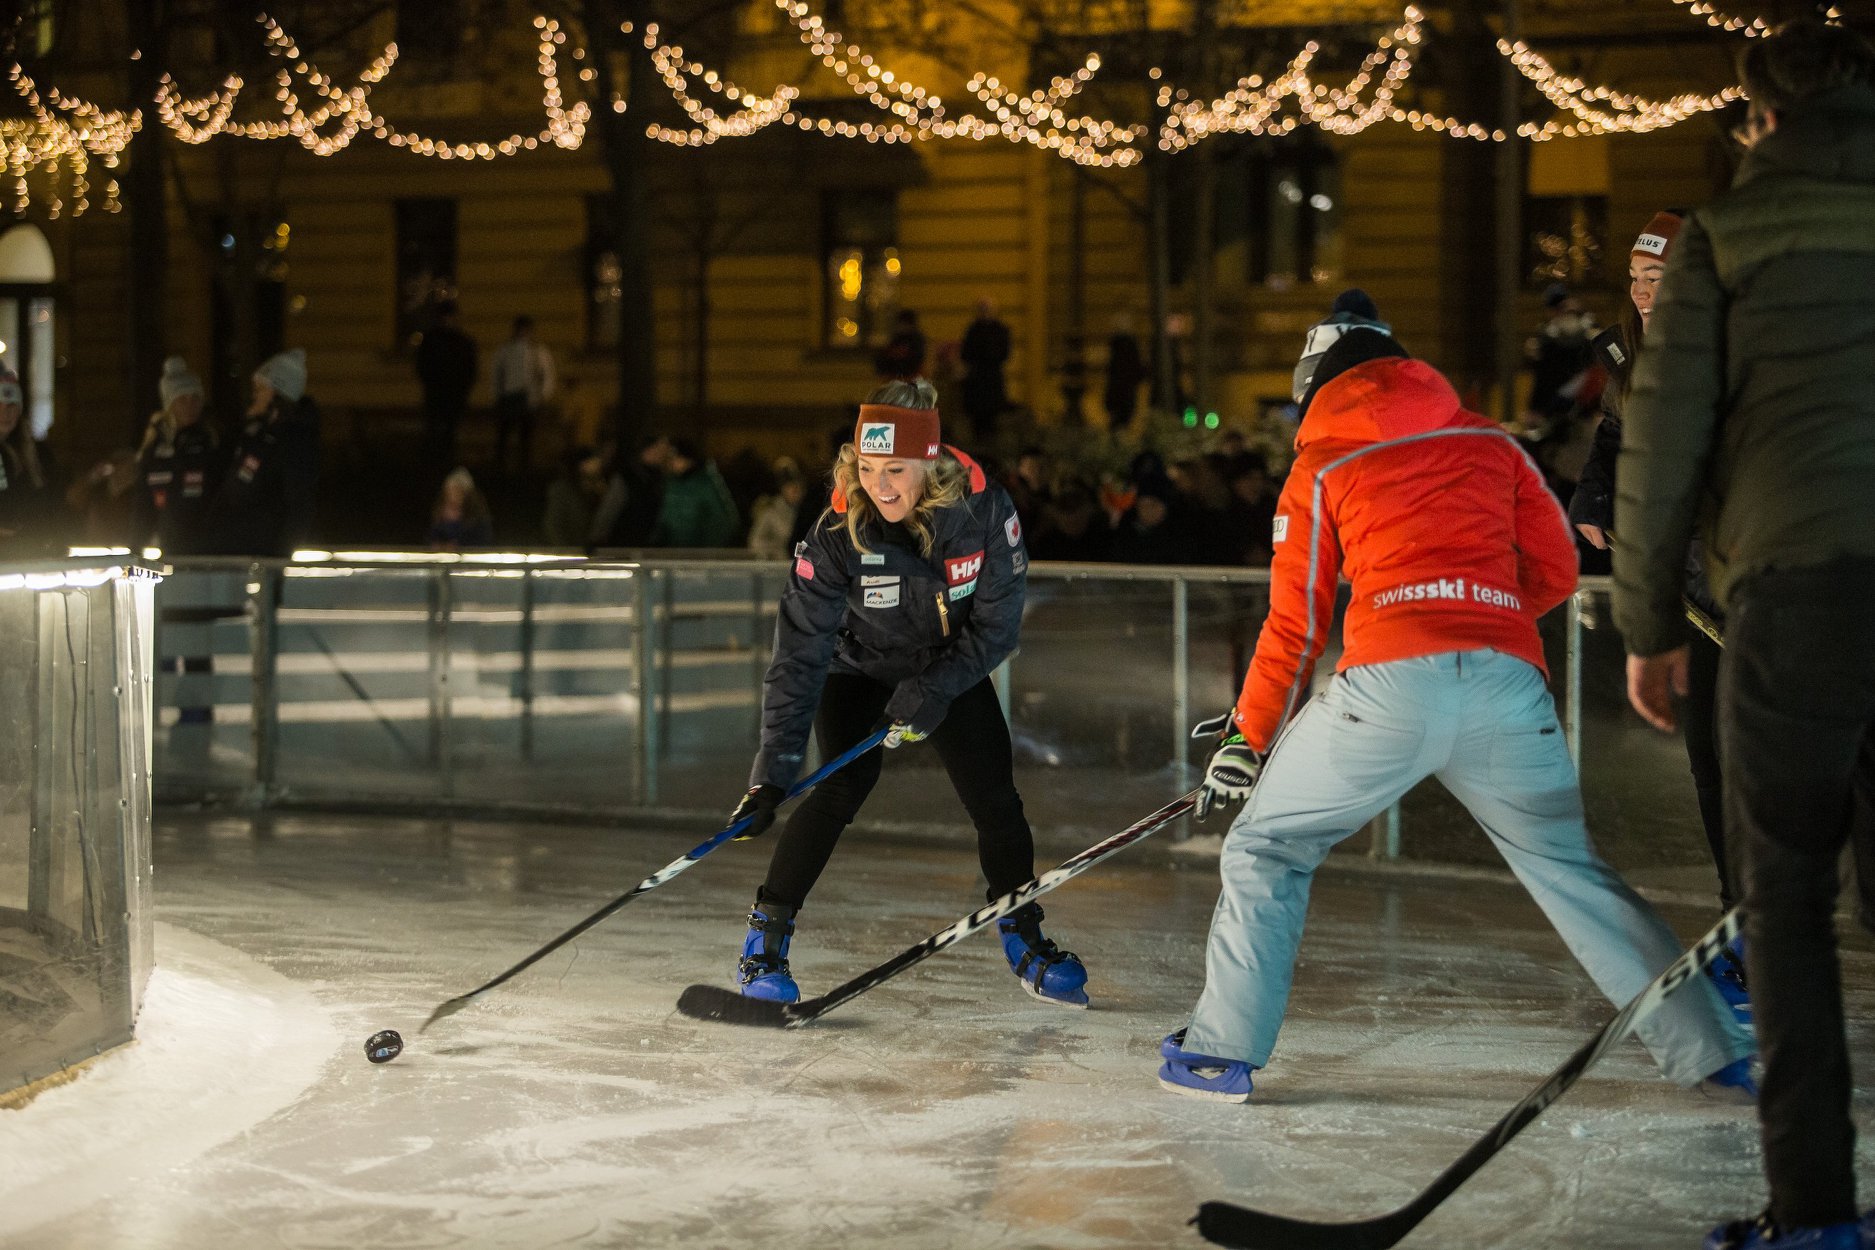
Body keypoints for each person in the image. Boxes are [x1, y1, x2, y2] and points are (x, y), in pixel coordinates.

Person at [1159, 299, 1756, 1112]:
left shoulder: (1323, 464)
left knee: (1266, 850)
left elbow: (1294, 623)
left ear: (1314, 387)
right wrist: (1482, 607)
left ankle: (1216, 1054)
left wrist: (1247, 737)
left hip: (1387, 690)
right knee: (1570, 871)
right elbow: (1552, 566)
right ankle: (1715, 1049)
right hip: (1508, 686)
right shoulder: (1488, 442)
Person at [1610, 21, 1875, 1250]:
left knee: (1786, 903)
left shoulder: (1728, 235)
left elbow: (1665, 444)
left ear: (1760, 117)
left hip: (1797, 593)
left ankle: (1815, 1211)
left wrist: (1650, 621)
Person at [725, 380, 1088, 1008]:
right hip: (856, 665)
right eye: (867, 469)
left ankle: (1023, 934)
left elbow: (998, 627)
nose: (880, 486)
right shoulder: (839, 528)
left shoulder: (983, 511)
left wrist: (934, 690)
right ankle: (766, 941)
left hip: (950, 664)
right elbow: (797, 654)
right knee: (840, 784)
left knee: (995, 799)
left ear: (931, 460)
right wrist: (770, 776)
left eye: (895, 469)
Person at [1566, 212, 1749, 1021]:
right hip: (1695, 600)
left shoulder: (1728, 354)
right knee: (1713, 770)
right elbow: (1616, 442)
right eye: (1636, 283)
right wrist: (1594, 495)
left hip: (1754, 588)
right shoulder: (1627, 359)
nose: (1643, 297)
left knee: (1780, 772)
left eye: (1659, 283)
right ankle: (1741, 930)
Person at [210, 349, 319, 557]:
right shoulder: (256, 433)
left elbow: (298, 504)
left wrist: (279, 557)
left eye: (259, 389)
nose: (254, 396)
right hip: (236, 552)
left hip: (262, 558)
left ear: (277, 393)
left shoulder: (294, 440)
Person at [132, 356, 225, 555]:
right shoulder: (154, 448)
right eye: (182, 399)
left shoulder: (213, 441)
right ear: (170, 404)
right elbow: (143, 503)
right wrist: (136, 546)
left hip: (207, 550)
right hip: (167, 549)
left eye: (195, 398)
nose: (190, 405)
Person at [490, 314, 556, 478]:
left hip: (529, 397)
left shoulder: (538, 351)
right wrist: (497, 394)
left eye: (526, 329)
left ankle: (524, 465)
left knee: (526, 434)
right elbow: (496, 372)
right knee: (504, 433)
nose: (523, 333)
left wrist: (544, 395)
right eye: (521, 329)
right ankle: (501, 464)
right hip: (509, 396)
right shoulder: (506, 350)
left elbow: (548, 373)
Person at [414, 301, 477, 471]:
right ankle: (434, 466)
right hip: (437, 395)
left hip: (454, 396)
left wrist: (463, 389)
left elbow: (471, 370)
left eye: (451, 317)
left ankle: (445, 466)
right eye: (446, 317)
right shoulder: (431, 341)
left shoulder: (463, 342)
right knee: (434, 432)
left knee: (449, 433)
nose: (448, 320)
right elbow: (422, 367)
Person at [0, 367, 53, 556]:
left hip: (28, 551)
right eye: (0, 405)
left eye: (12, 405)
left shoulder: (33, 451)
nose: (6, 413)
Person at [651, 438, 740, 548]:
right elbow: (665, 517)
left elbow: (722, 521)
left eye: (675, 457)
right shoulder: (671, 484)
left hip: (699, 554)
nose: (671, 462)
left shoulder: (707, 484)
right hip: (672, 551)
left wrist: (708, 551)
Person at [959, 300, 1012, 441]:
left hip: (991, 381)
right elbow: (965, 353)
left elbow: (1004, 353)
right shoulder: (974, 330)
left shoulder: (999, 330)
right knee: (977, 423)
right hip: (977, 382)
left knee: (992, 421)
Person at [541, 445, 606, 550]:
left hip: (591, 551)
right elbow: (553, 524)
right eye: (593, 461)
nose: (599, 464)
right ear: (582, 465)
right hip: (570, 552)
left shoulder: (600, 488)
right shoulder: (563, 490)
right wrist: (565, 550)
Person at [746, 458, 806, 560]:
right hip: (774, 566)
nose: (796, 493)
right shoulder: (771, 511)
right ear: (783, 489)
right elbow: (755, 541)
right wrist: (775, 551)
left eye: (798, 488)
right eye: (792, 488)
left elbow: (804, 541)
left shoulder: (805, 513)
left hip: (795, 565)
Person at [427, 467, 494, 551]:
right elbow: (432, 538)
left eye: (457, 492)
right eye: (449, 492)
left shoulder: (478, 516)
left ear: (467, 494)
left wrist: (458, 546)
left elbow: (483, 541)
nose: (452, 496)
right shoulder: (439, 512)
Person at [1103, 315, 1147, 431]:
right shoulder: (1128, 345)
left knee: (1119, 419)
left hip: (1119, 390)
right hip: (1126, 391)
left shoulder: (1115, 345)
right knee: (1124, 418)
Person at [875, 309, 926, 381]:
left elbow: (916, 360)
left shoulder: (915, 340)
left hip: (909, 378)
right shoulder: (896, 339)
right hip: (896, 378)